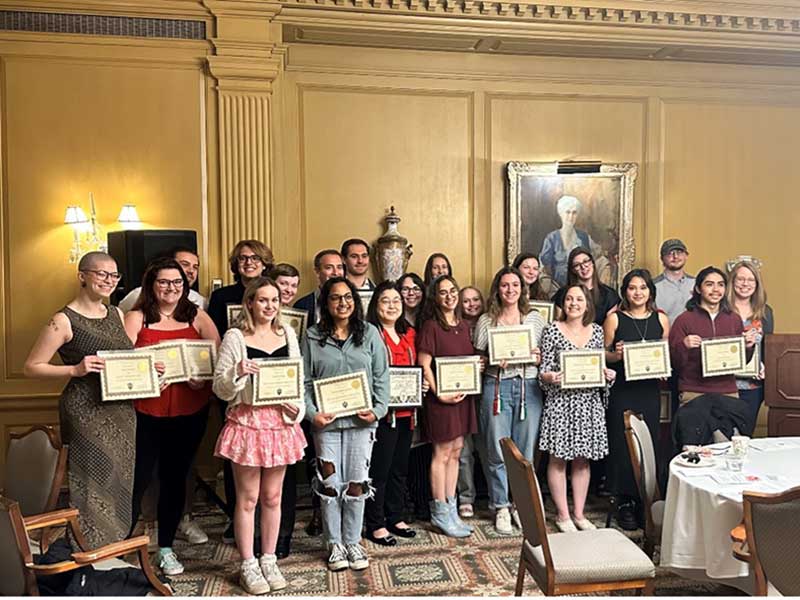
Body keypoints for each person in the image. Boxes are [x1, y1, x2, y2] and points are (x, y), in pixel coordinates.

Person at [23, 252, 135, 548]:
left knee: (118, 478)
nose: (109, 281)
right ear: (82, 275)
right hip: (86, 410)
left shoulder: (117, 314)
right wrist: (74, 369)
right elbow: (31, 367)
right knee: (90, 480)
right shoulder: (63, 319)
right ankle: (88, 548)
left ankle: (113, 545)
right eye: (102, 274)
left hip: (121, 410)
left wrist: (149, 367)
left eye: (114, 276)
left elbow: (124, 360)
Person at [123, 257, 220, 575]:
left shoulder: (198, 316)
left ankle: (165, 548)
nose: (171, 288)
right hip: (144, 411)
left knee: (175, 478)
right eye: (163, 282)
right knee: (138, 479)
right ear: (151, 284)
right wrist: (146, 373)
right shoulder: (136, 317)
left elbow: (218, 360)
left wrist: (202, 378)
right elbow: (120, 364)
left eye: (177, 282)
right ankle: (122, 544)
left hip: (190, 410)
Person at [213, 277, 306, 594]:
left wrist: (299, 411)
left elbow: (298, 382)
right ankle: (248, 564)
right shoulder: (236, 336)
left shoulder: (288, 334)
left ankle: (269, 558)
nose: (269, 306)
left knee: (273, 497)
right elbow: (221, 389)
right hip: (248, 424)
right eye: (263, 300)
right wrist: (237, 371)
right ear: (250, 302)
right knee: (248, 498)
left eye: (275, 300)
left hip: (280, 425)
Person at [303, 277, 389, 572]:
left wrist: (378, 409)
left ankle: (353, 540)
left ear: (356, 301)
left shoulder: (370, 334)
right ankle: (334, 543)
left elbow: (381, 376)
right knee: (329, 484)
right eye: (336, 298)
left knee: (356, 482)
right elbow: (303, 381)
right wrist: (312, 413)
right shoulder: (312, 336)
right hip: (325, 424)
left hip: (362, 423)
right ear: (325, 303)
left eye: (348, 297)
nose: (343, 303)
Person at [207, 239, 274, 544]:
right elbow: (214, 341)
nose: (249, 262)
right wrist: (234, 372)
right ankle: (238, 520)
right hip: (237, 390)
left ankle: (269, 532)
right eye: (243, 258)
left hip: (273, 401)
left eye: (255, 258)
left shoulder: (273, 304)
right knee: (239, 461)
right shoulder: (222, 297)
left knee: (272, 481)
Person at [538, 284, 616, 532]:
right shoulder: (552, 330)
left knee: (582, 461)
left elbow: (598, 366)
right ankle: (562, 515)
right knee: (558, 460)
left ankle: (580, 514)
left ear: (587, 304)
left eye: (579, 299)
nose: (574, 303)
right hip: (561, 403)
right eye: (569, 299)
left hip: (588, 404)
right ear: (563, 304)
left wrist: (607, 375)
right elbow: (543, 371)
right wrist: (550, 377)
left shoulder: (595, 332)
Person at [473, 267, 546, 534]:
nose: (510, 290)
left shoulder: (535, 319)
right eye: (505, 285)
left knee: (525, 451)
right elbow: (478, 358)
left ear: (522, 289)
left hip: (529, 387)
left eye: (515, 285)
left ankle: (521, 505)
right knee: (497, 449)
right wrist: (491, 359)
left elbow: (544, 354)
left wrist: (537, 357)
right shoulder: (486, 321)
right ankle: (501, 505)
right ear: (497, 289)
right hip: (497, 386)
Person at [603, 269, 669, 530]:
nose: (638, 292)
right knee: (623, 445)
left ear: (650, 291)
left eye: (642, 287)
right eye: (632, 288)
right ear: (625, 291)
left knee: (648, 445)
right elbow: (603, 354)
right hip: (623, 390)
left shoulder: (661, 319)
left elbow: (665, 354)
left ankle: (646, 501)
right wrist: (616, 356)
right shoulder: (615, 319)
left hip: (649, 391)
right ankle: (624, 502)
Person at [417, 275, 478, 538]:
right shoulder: (431, 326)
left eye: (453, 290)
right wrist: (439, 393)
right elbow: (423, 364)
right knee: (441, 454)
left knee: (456, 451)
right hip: (440, 400)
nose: (449, 296)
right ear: (436, 297)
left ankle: (451, 508)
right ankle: (440, 511)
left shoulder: (464, 326)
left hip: (462, 399)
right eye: (443, 292)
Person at [363, 281, 419, 546]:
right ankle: (375, 523)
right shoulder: (369, 333)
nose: (392, 305)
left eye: (396, 300)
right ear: (376, 304)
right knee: (379, 470)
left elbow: (417, 367)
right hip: (382, 414)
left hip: (408, 412)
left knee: (399, 468)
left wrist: (423, 384)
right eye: (386, 300)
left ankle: (395, 516)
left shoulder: (409, 333)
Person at [669, 266, 758, 405]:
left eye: (720, 285)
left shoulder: (734, 319)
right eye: (709, 284)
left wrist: (747, 347)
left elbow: (741, 361)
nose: (716, 289)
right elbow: (674, 362)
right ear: (698, 289)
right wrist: (684, 345)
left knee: (730, 427)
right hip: (694, 391)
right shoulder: (683, 319)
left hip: (727, 391)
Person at [727, 260, 774, 435]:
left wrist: (765, 366)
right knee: (723, 436)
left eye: (751, 280)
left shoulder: (765, 312)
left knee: (744, 436)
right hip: (725, 384)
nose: (745, 284)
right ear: (732, 282)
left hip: (752, 387)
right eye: (740, 279)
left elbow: (769, 347)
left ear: (757, 284)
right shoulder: (722, 310)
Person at [456, 285, 487, 520]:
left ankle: (496, 496)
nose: (471, 304)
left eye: (475, 299)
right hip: (462, 395)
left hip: (487, 393)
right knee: (464, 451)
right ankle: (466, 497)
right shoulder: (455, 326)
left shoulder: (491, 324)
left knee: (488, 449)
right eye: (466, 301)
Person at [539, 195, 612, 287]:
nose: (571, 216)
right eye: (567, 212)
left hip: (582, 287)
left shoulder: (583, 237)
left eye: (574, 213)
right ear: (561, 214)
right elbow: (545, 267)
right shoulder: (551, 238)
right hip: (557, 287)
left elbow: (599, 256)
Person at [118, 246, 207, 312]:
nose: (191, 271)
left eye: (195, 267)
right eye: (185, 264)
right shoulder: (137, 295)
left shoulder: (200, 300)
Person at [552, 247, 620, 326]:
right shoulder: (562, 294)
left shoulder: (609, 295)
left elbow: (611, 328)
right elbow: (559, 324)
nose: (583, 267)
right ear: (573, 270)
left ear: (592, 263)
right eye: (577, 265)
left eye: (586, 261)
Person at [294, 249, 345, 326]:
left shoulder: (353, 302)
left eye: (339, 267)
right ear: (317, 272)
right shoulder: (301, 305)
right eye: (329, 267)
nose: (335, 272)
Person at [653, 239, 695, 325]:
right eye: (670, 253)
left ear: (686, 256)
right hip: (666, 336)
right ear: (662, 258)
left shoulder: (696, 283)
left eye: (679, 252)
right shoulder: (653, 286)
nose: (675, 256)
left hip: (695, 336)